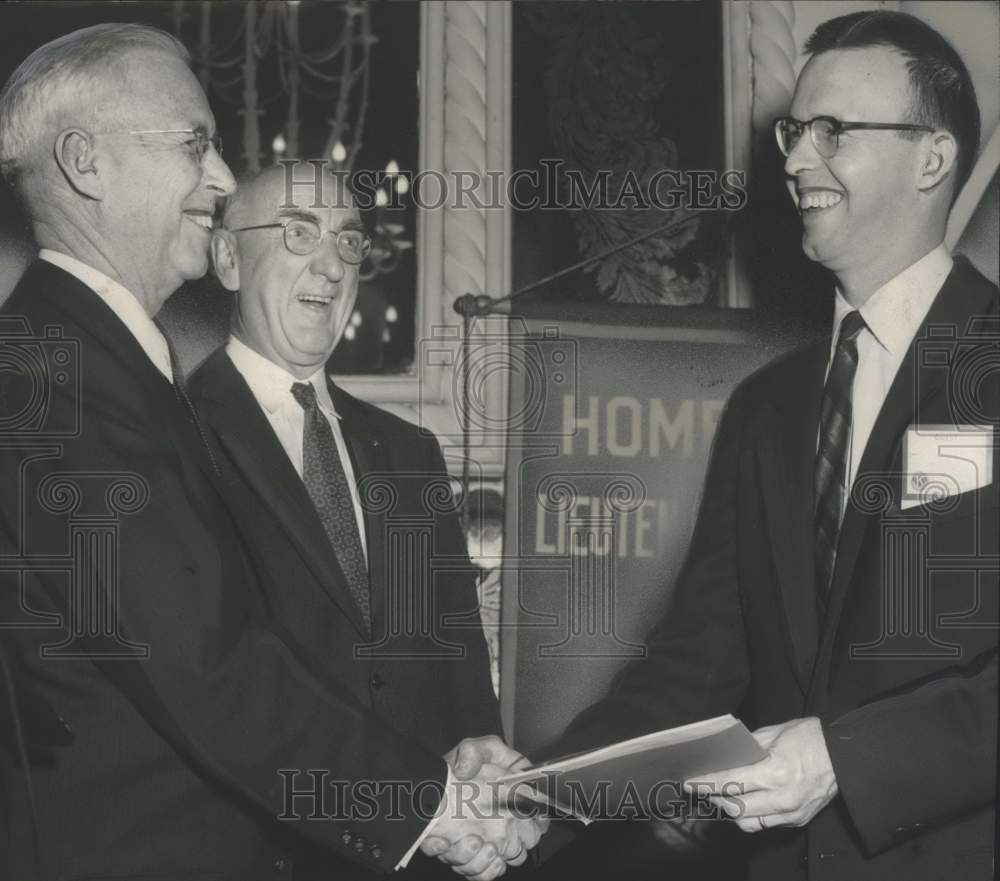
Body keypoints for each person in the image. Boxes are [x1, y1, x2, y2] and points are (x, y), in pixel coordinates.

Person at [0, 24, 538, 881]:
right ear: (85, 162)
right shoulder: (53, 370)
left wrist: (455, 773)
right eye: (195, 144)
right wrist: (431, 803)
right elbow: (205, 663)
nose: (220, 178)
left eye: (349, 239)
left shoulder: (99, 360)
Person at [519, 11, 998, 881]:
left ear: (933, 159)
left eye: (833, 130)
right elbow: (693, 669)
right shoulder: (765, 409)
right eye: (793, 130)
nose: (796, 159)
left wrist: (847, 758)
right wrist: (535, 793)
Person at [190, 162, 547, 878]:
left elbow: (459, 666)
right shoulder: (176, 436)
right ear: (228, 258)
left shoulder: (409, 452)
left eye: (349, 241)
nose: (331, 265)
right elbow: (211, 689)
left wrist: (487, 789)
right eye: (299, 233)